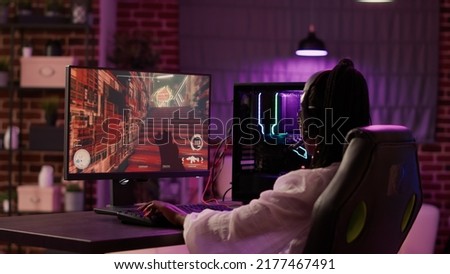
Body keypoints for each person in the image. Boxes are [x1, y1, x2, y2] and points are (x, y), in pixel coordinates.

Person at [138, 58, 372, 253]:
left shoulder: (310, 186)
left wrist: (180, 217)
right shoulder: (365, 175)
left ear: (312, 127)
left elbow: (229, 230)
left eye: (301, 116)